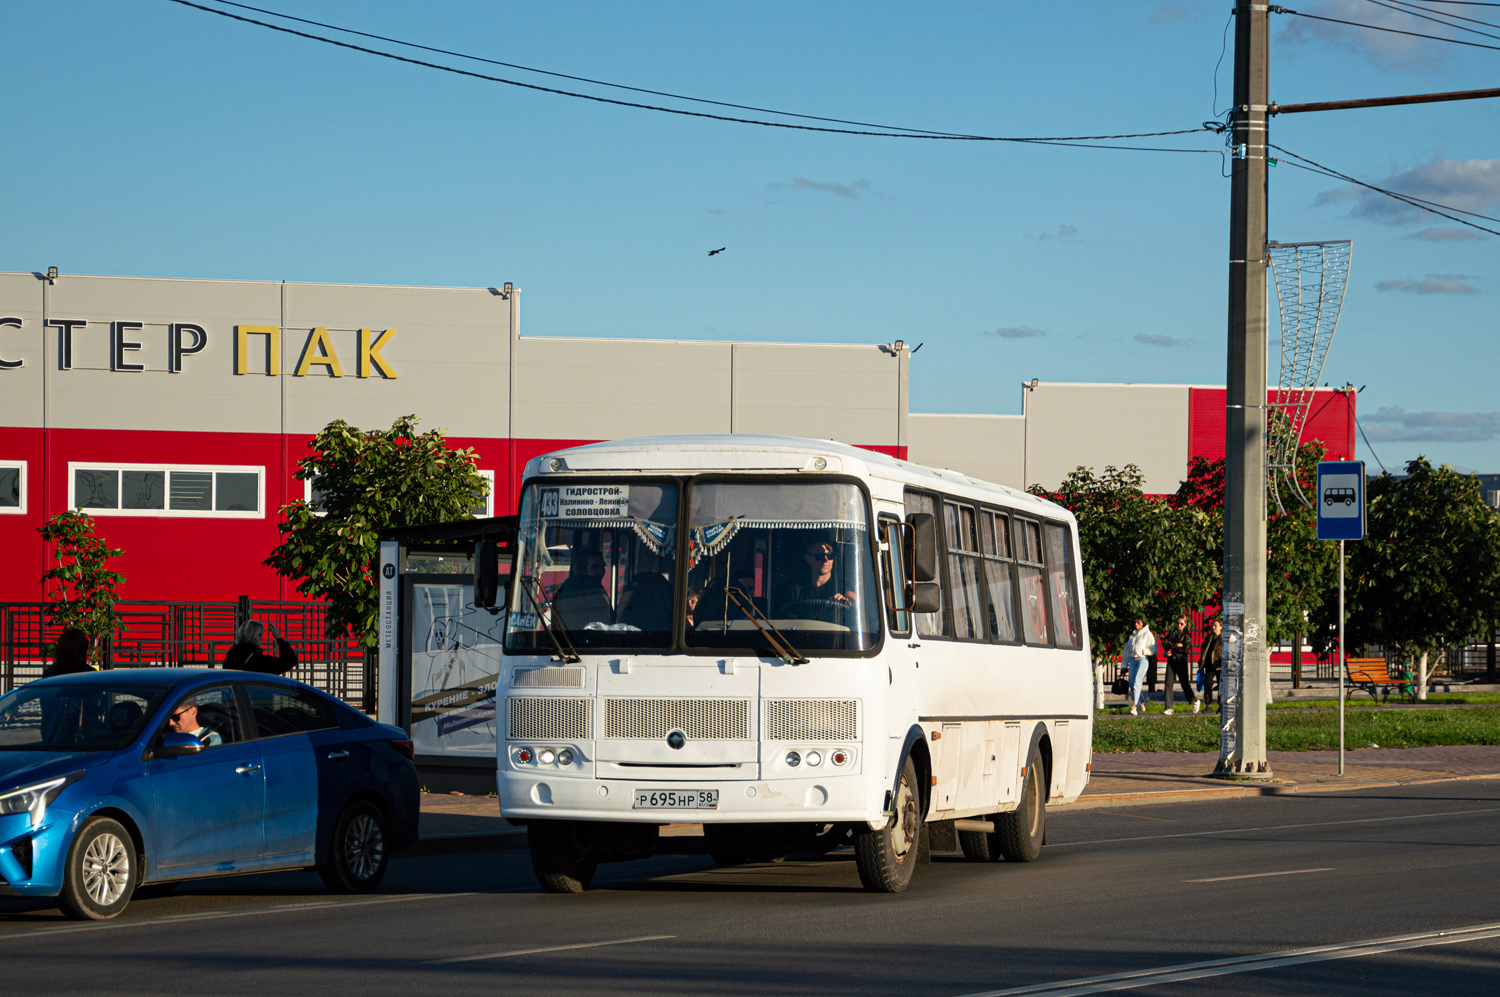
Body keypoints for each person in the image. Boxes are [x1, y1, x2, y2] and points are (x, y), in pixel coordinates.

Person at [223, 620, 298, 675]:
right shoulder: (259, 661)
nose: (262, 638)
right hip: (258, 696)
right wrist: (279, 638)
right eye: (260, 635)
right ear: (255, 637)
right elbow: (290, 661)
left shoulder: (231, 656)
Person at [1161, 612, 1200, 715]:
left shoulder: (1187, 635)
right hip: (1171, 660)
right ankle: (1168, 707)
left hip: (1181, 660)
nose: (1179, 625)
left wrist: (1174, 646)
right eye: (1177, 623)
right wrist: (1175, 645)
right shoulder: (1172, 633)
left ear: (1185, 624)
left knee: (1184, 683)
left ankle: (1194, 700)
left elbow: (1185, 649)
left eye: (1181, 624)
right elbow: (1165, 643)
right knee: (1168, 683)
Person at [1122, 616, 1156, 716]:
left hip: (1142, 660)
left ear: (1143, 623)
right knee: (1132, 683)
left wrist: (1144, 651)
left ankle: (1135, 707)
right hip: (1133, 660)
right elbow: (1126, 651)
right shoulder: (1132, 635)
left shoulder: (1147, 633)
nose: (1136, 624)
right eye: (1135, 622)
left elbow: (1153, 648)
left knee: (1137, 682)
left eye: (1138, 622)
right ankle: (1143, 699)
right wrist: (1124, 665)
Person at [1199, 618, 1224, 711]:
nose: (1213, 627)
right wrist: (1201, 662)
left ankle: (1221, 704)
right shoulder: (1209, 638)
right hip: (1209, 665)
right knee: (1208, 684)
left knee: (1221, 686)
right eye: (1212, 625)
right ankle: (1208, 704)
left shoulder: (1223, 639)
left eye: (1215, 626)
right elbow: (1204, 651)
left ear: (1221, 627)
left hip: (1219, 665)